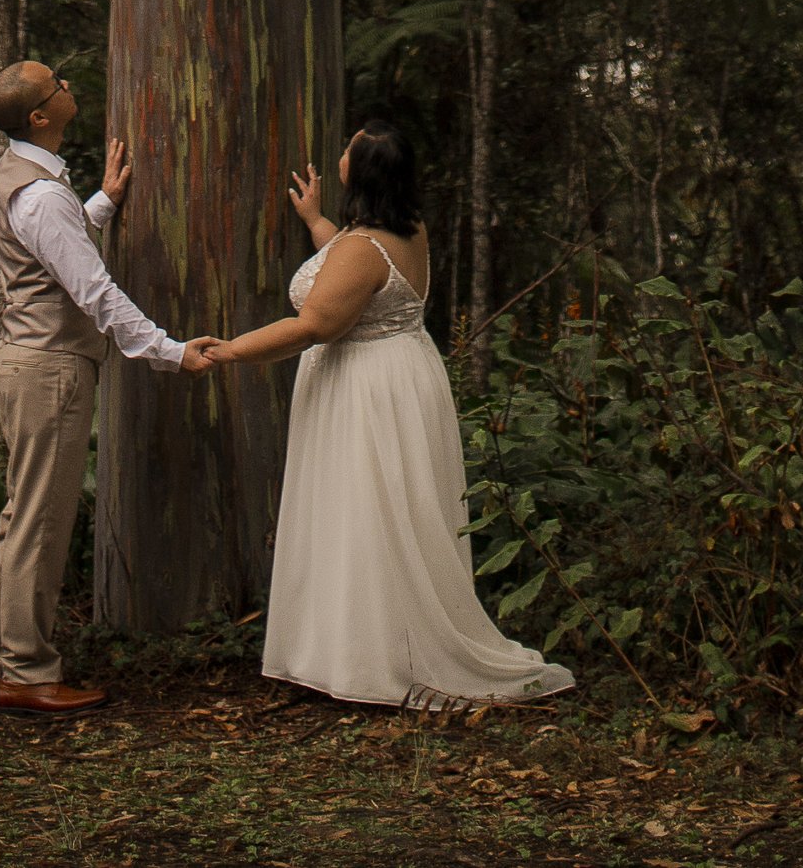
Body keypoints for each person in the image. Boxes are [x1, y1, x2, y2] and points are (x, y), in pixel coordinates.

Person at [194, 118, 574, 712]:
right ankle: (360, 646)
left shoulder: (361, 249)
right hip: (402, 376)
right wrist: (318, 221)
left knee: (366, 508)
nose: (339, 153)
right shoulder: (404, 231)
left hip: (365, 388)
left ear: (361, 171)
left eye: (348, 149)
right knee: (388, 510)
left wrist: (228, 350)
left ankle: (372, 656)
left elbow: (317, 323)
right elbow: (354, 274)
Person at [0, 56, 211, 714]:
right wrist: (170, 351)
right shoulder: (42, 192)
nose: (68, 84)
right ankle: (23, 668)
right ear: (40, 115)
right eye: (58, 85)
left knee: (22, 515)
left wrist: (100, 201)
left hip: (28, 358)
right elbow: (93, 289)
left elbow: (56, 250)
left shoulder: (32, 182)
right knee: (42, 520)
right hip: (51, 366)